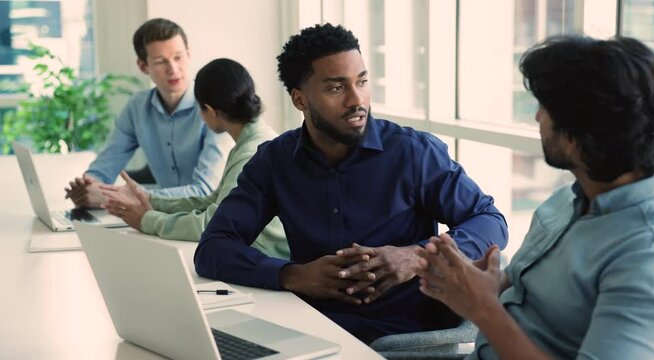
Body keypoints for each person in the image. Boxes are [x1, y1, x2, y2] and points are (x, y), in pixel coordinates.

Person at [194, 23, 508, 344]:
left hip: (401, 339)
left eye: (362, 81)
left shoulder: (413, 152)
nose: (356, 100)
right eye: (336, 88)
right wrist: (294, 275)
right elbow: (214, 248)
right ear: (300, 100)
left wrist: (417, 257)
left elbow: (490, 220)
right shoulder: (274, 161)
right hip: (310, 332)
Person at [417, 35, 654, 359]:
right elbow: (534, 300)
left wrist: (482, 309)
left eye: (544, 109)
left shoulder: (653, 255)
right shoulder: (567, 200)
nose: (537, 119)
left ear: (576, 138)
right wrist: (479, 282)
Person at [97, 58, 289, 259]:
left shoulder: (251, 152)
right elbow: (213, 201)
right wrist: (150, 199)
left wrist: (147, 220)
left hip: (268, 259)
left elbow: (213, 223)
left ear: (211, 111)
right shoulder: (251, 141)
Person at [64, 18, 229, 208]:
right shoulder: (137, 108)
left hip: (212, 221)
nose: (173, 69)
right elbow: (104, 168)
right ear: (143, 66)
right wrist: (88, 188)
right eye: (160, 61)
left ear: (189, 54)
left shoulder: (215, 109)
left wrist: (122, 197)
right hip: (163, 219)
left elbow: (204, 192)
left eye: (178, 57)